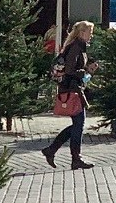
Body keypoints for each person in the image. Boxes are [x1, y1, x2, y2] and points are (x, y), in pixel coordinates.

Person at [40, 21, 98, 171]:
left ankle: (53, 151)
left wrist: (87, 70)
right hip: (72, 89)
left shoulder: (78, 47)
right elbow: (70, 70)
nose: (91, 35)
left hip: (73, 88)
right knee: (79, 124)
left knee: (78, 124)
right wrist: (86, 70)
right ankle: (73, 158)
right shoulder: (76, 48)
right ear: (82, 33)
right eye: (90, 32)